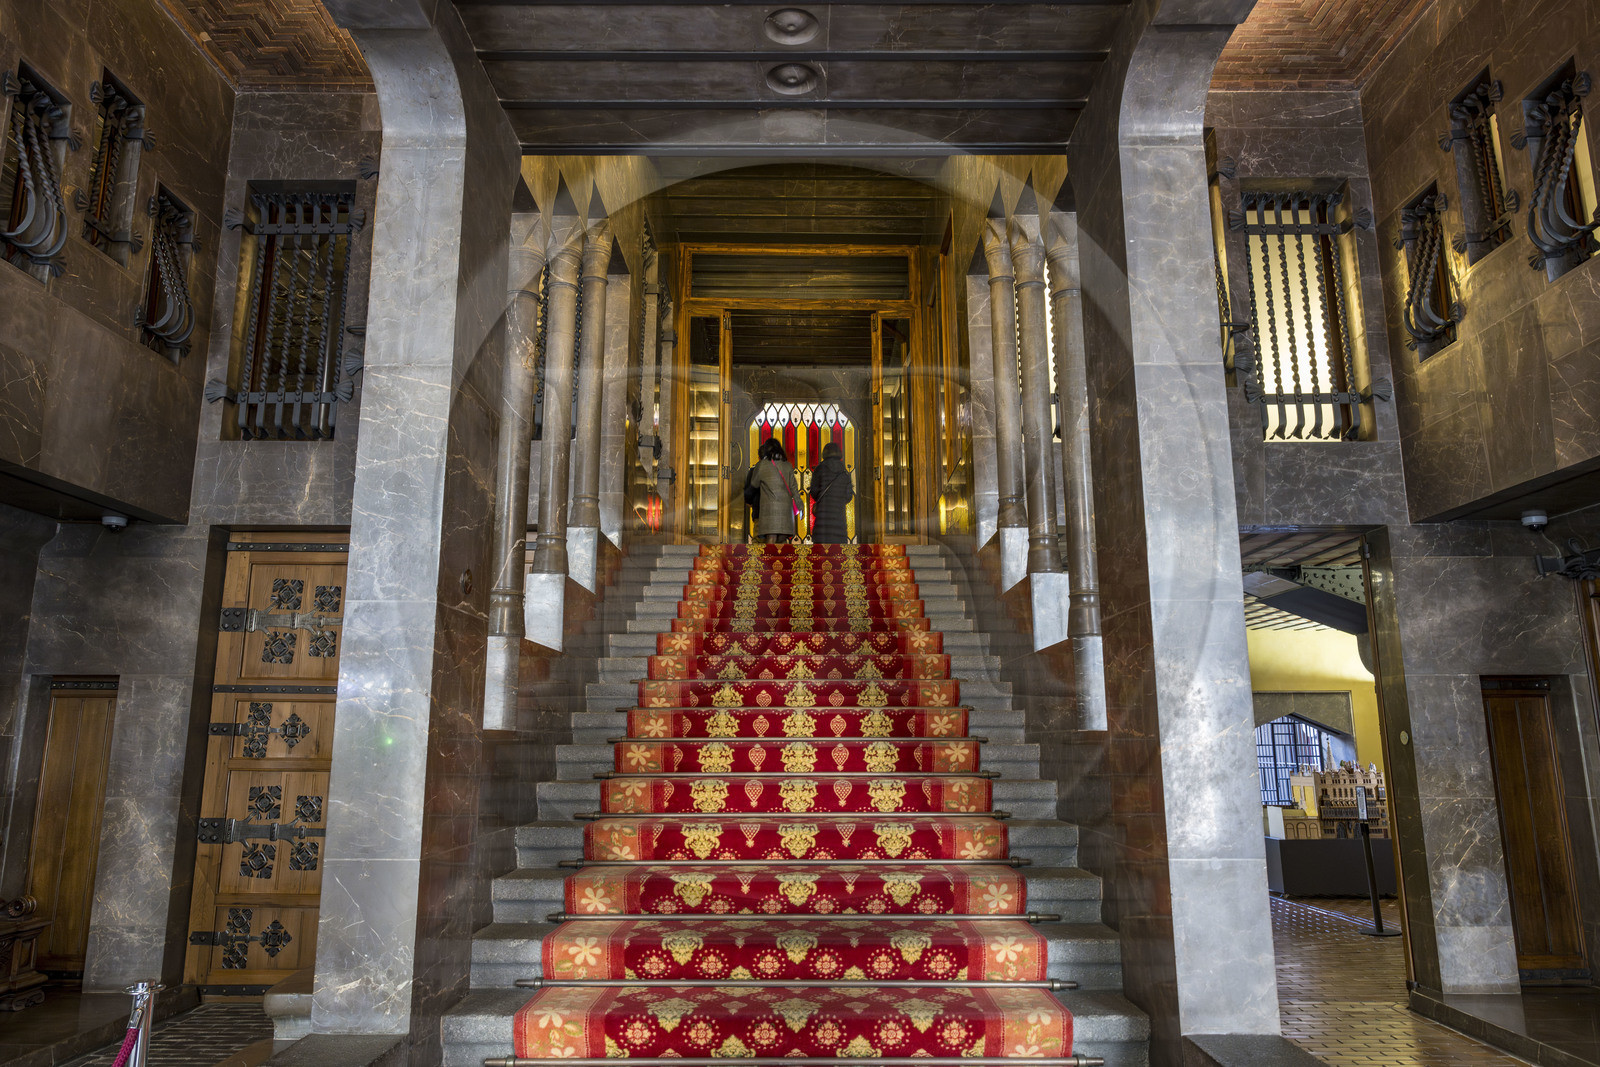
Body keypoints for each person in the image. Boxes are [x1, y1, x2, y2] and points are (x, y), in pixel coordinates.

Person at [750, 438, 801, 544]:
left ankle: (770, 560)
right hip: (786, 510)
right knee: (782, 539)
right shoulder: (787, 465)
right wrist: (800, 505)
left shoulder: (762, 465)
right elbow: (793, 488)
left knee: (771, 539)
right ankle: (782, 560)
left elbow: (754, 483)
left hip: (769, 509)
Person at [808, 441, 853, 545]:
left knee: (820, 556)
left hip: (822, 522)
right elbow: (848, 496)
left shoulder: (819, 470)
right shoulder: (844, 472)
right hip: (838, 522)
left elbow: (814, 492)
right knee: (837, 556)